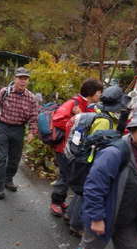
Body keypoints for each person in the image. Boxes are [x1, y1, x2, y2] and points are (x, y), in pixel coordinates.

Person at [70, 99, 137, 249]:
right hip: (104, 216)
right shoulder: (114, 153)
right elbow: (94, 187)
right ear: (133, 128)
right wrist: (97, 218)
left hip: (129, 219)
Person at [65, 85, 131, 236]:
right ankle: (76, 225)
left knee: (81, 192)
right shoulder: (105, 121)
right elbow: (99, 145)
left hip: (84, 159)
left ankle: (69, 215)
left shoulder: (99, 114)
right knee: (85, 193)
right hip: (91, 161)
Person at [50, 78, 103, 217]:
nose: (100, 96)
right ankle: (55, 202)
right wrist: (77, 119)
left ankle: (60, 200)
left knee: (69, 175)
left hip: (73, 147)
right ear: (92, 92)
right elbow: (57, 119)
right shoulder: (74, 103)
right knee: (65, 175)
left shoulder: (87, 104)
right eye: (99, 93)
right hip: (64, 147)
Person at [0, 67, 38, 199]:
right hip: (3, 127)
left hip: (18, 129)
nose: (23, 81)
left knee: (15, 159)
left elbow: (34, 117)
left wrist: (32, 132)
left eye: (25, 78)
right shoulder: (5, 92)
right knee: (2, 158)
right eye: (20, 78)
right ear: (15, 79)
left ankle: (8, 179)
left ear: (28, 81)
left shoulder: (31, 98)